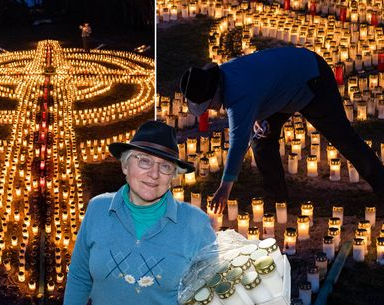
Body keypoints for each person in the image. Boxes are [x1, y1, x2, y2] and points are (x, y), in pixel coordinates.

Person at [180, 46, 384, 213]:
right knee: (261, 140)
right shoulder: (225, 74)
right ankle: (278, 199)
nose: (211, 110)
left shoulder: (237, 97)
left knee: (344, 139)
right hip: (284, 85)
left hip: (312, 79)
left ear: (215, 92)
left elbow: (237, 144)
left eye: (208, 105)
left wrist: (224, 188)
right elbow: (260, 86)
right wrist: (256, 116)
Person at [63, 121, 216, 305]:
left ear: (173, 176)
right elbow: (80, 277)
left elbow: (210, 291)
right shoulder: (98, 209)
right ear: (125, 166)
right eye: (144, 161)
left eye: (165, 166)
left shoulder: (196, 223)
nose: (154, 174)